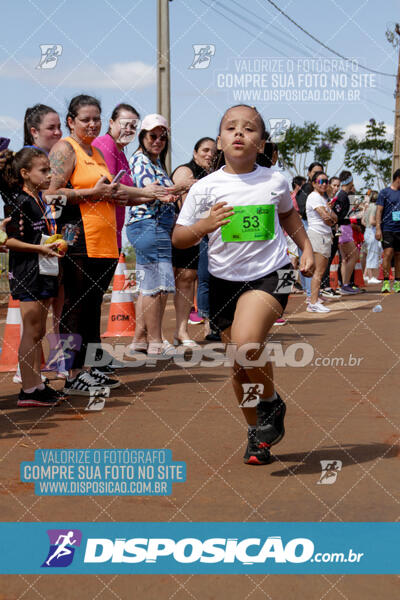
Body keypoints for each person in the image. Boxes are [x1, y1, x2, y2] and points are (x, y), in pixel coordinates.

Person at [172, 104, 314, 465]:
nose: (239, 133)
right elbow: (179, 238)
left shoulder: (275, 180)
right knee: (238, 362)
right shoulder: (205, 187)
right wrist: (203, 226)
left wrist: (307, 248)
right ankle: (257, 435)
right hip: (222, 280)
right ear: (219, 140)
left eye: (249, 129)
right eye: (230, 127)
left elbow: (288, 216)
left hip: (272, 274)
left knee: (247, 343)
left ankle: (270, 403)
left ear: (262, 143)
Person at [47, 96, 161, 394]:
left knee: (91, 306)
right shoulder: (65, 149)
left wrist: (144, 194)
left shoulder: (96, 151)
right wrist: (90, 193)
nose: (92, 124)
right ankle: (71, 375)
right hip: (76, 238)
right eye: (86, 119)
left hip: (105, 241)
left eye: (96, 118)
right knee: (74, 306)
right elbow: (50, 194)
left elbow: (106, 192)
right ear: (71, 121)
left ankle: (90, 367)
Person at [3, 147, 65, 407]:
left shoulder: (38, 199)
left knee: (38, 329)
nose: (50, 175)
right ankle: (28, 390)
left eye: (50, 169)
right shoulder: (18, 200)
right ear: (25, 173)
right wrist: (39, 248)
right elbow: (10, 240)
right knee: (31, 329)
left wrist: (57, 243)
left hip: (43, 267)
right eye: (44, 170)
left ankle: (37, 384)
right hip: (27, 270)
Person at [126, 114, 177, 357]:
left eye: (161, 136)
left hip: (151, 225)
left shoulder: (153, 161)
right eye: (152, 136)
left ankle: (140, 338)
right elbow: (152, 191)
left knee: (150, 285)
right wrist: (181, 187)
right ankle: (155, 340)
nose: (157, 140)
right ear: (143, 137)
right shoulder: (141, 161)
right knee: (157, 285)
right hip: (150, 224)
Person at [171, 137, 216, 345]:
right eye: (205, 150)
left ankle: (184, 331)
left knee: (191, 279)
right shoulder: (185, 171)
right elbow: (185, 207)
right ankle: (150, 337)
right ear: (195, 152)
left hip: (203, 234)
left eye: (213, 152)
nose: (209, 155)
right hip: (181, 232)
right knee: (172, 282)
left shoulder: (212, 176)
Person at [92, 103, 142, 251]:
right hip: (99, 232)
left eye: (133, 127)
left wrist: (160, 194)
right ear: (111, 123)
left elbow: (125, 198)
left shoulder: (121, 153)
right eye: (124, 125)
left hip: (114, 231)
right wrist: (148, 192)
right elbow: (112, 186)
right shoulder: (105, 144)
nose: (128, 130)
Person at [305, 172, 337, 313]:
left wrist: (331, 217)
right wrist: (331, 218)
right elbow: (327, 219)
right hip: (318, 235)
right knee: (318, 272)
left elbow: (334, 217)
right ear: (313, 183)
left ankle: (314, 300)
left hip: (323, 236)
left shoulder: (322, 198)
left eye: (326, 181)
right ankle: (313, 302)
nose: (324, 183)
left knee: (320, 271)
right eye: (320, 181)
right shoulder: (314, 197)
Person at [295, 162, 323, 300]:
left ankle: (314, 293)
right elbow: (300, 209)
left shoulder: (320, 191)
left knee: (314, 259)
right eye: (315, 172)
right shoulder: (306, 189)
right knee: (301, 259)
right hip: (304, 226)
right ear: (309, 173)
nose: (317, 175)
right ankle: (309, 293)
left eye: (321, 172)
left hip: (314, 228)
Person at [332, 171, 361, 295]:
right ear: (351, 181)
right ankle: (345, 284)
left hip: (343, 229)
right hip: (344, 229)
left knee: (345, 259)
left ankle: (344, 284)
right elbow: (337, 214)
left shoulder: (342, 195)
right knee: (354, 255)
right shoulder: (343, 195)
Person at [376, 169, 400, 293]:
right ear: (398, 178)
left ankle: (397, 282)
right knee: (388, 253)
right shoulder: (384, 192)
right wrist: (378, 228)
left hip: (399, 229)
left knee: (398, 255)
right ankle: (386, 282)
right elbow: (379, 211)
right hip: (387, 228)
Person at [362, 191, 381, 283]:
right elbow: (372, 220)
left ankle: (369, 276)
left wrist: (368, 227)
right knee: (372, 254)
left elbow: (363, 221)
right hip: (372, 231)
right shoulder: (374, 207)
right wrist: (380, 222)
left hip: (368, 231)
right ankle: (371, 277)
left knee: (370, 254)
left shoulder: (368, 207)